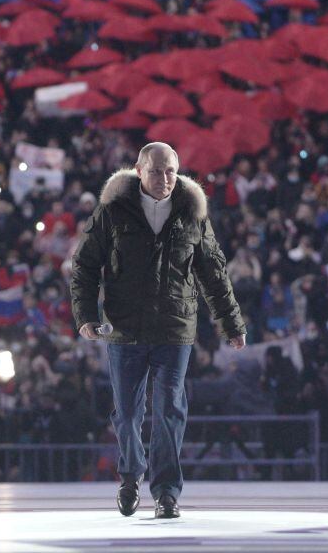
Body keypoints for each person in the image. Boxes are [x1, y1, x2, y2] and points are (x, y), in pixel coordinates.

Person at [70, 142, 247, 519]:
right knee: (129, 414)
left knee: (169, 411)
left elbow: (213, 272)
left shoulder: (192, 212)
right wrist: (85, 315)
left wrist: (231, 322)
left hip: (174, 328)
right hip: (124, 330)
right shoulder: (113, 210)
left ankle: (166, 492)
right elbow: (85, 265)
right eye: (155, 171)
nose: (164, 179)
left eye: (170, 171)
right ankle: (130, 477)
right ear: (138, 170)